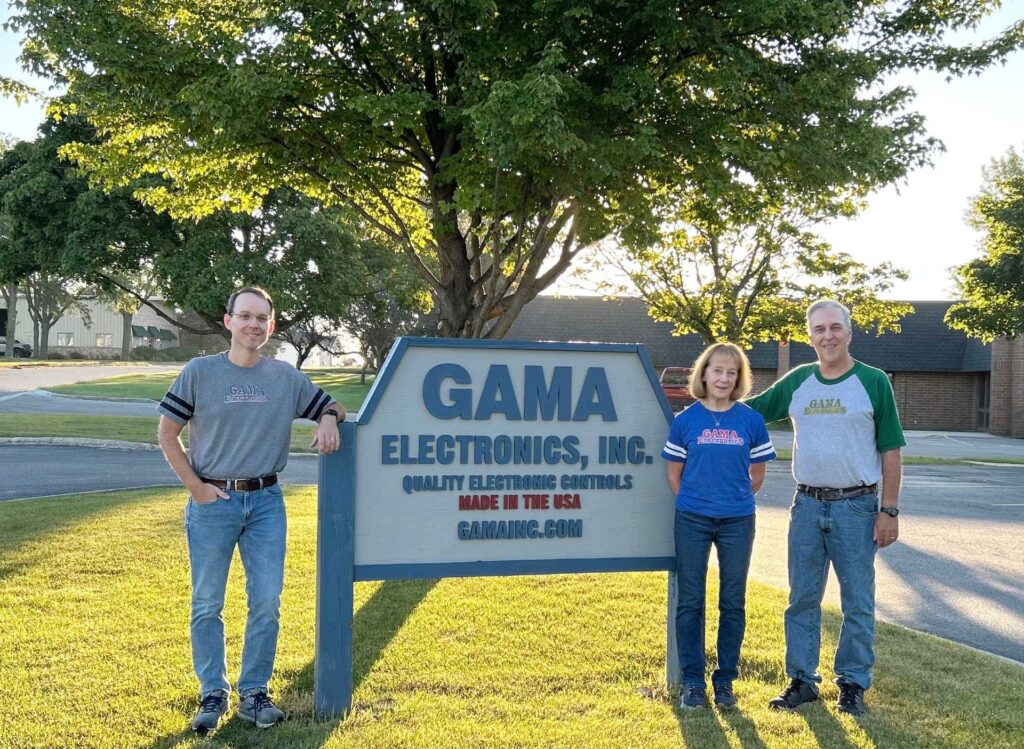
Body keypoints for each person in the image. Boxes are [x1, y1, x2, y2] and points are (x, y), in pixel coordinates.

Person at [157, 287, 345, 734]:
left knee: (266, 601)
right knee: (207, 603)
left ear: (271, 326)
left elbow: (332, 404)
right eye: (245, 316)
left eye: (262, 318)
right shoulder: (200, 372)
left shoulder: (285, 377)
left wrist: (329, 419)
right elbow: (167, 434)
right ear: (228, 322)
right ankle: (212, 693)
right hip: (213, 504)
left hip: (266, 503)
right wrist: (196, 488)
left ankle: (254, 693)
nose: (253, 325)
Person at [746, 299, 904, 717]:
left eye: (836, 327)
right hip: (807, 506)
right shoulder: (799, 381)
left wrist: (889, 510)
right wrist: (705, 405)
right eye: (819, 329)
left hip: (858, 507)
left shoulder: (872, 382)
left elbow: (891, 449)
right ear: (809, 335)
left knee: (857, 600)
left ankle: (852, 683)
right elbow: (751, 413)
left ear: (849, 332)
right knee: (801, 598)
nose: (828, 336)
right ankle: (802, 680)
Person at [662, 342, 776, 710]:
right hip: (692, 520)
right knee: (691, 602)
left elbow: (756, 475)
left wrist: (732, 500)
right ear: (704, 374)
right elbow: (673, 475)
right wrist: (696, 502)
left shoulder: (750, 420)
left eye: (732, 372)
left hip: (737, 522)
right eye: (717, 371)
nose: (724, 378)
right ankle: (693, 681)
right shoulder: (686, 421)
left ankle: (725, 680)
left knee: (733, 601)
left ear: (739, 377)